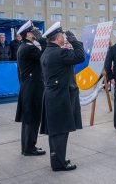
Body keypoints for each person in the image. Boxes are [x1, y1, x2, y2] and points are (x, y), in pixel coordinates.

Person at [40, 22, 85, 171]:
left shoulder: (46, 52)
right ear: (57, 38)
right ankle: (59, 164)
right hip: (60, 97)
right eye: (63, 37)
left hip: (52, 95)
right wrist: (74, 40)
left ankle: (57, 160)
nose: (64, 39)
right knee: (60, 131)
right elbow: (80, 56)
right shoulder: (59, 53)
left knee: (55, 132)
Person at [15, 20, 46, 156]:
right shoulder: (29, 48)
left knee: (30, 118)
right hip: (33, 88)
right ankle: (29, 148)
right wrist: (42, 40)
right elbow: (45, 54)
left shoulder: (24, 46)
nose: (36, 33)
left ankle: (28, 147)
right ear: (28, 34)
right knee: (32, 118)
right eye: (34, 32)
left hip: (28, 86)